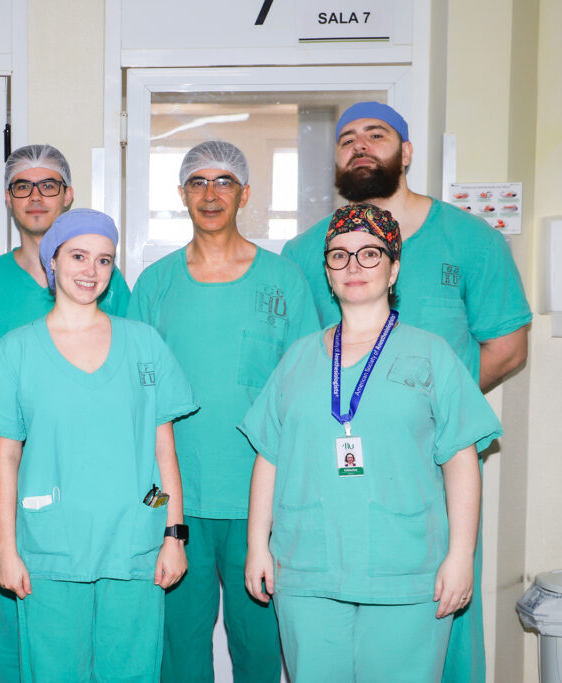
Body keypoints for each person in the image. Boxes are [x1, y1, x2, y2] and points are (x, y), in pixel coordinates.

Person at [281, 102, 531, 682]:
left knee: (445, 611)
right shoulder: (306, 252)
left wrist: (430, 410)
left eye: (377, 134)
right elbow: (297, 366)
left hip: (431, 468)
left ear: (407, 152)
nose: (361, 145)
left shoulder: (471, 241)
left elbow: (508, 347)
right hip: (330, 475)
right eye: (347, 138)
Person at [242, 204, 502, 682]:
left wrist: (460, 556)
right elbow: (269, 458)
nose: (353, 265)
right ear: (327, 273)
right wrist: (258, 545)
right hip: (307, 569)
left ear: (393, 268)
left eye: (369, 253)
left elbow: (461, 460)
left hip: (407, 574)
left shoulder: (432, 355)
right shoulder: (297, 359)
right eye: (339, 255)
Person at [0, 209, 199, 682]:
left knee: (131, 674)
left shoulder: (144, 345)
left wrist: (173, 535)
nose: (91, 270)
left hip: (135, 543)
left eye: (104, 260)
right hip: (50, 547)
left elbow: (162, 451)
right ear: (52, 261)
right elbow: (6, 459)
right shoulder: (16, 351)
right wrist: (6, 551)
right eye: (77, 256)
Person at [128, 140, 318, 682]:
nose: (210, 194)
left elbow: (304, 393)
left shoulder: (283, 281)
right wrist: (151, 501)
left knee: (259, 648)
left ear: (245, 194)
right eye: (198, 182)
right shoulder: (156, 284)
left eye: (224, 182)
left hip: (259, 501)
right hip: (175, 501)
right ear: (182, 194)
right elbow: (134, 397)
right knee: (179, 649)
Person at [0, 144, 130, 682]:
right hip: (11, 470)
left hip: (93, 475)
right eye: (23, 185)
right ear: (8, 198)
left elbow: (130, 379)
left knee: (84, 631)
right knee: (10, 611)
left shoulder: (105, 281)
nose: (36, 196)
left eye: (49, 185)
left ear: (69, 195)